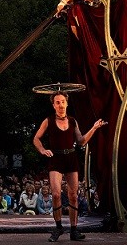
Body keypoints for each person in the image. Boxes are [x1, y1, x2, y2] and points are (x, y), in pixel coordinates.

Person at [33, 91, 106, 242]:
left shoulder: (73, 121)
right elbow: (36, 138)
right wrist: (42, 150)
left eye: (62, 102)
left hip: (71, 158)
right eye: (57, 102)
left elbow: (81, 141)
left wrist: (93, 128)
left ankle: (74, 230)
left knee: (73, 195)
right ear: (53, 105)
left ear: (67, 103)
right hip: (56, 159)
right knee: (56, 194)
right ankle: (58, 227)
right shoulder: (48, 120)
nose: (60, 105)